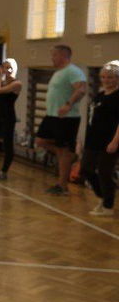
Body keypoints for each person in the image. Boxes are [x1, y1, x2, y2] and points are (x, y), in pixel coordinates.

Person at [36, 45, 87, 195]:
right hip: (52, 116)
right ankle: (70, 155)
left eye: (54, 55)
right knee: (40, 141)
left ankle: (62, 186)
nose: (52, 58)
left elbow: (81, 90)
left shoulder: (73, 71)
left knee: (63, 150)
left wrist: (68, 104)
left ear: (63, 56)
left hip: (67, 118)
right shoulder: (59, 72)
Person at [80, 60, 119, 217]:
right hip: (93, 140)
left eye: (110, 77)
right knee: (86, 169)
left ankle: (108, 206)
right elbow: (92, 119)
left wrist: (115, 142)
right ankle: (103, 198)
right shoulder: (100, 95)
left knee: (104, 172)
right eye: (103, 77)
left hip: (109, 141)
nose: (106, 80)